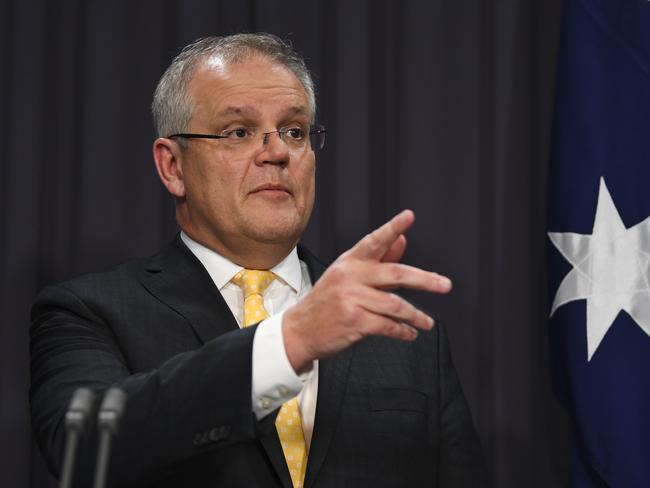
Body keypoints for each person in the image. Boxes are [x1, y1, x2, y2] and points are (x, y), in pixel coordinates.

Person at [30, 33, 486, 487]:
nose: (276, 153)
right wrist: (289, 342)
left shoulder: (401, 331)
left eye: (294, 131)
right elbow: (83, 447)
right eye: (239, 133)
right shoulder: (88, 311)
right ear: (173, 167)